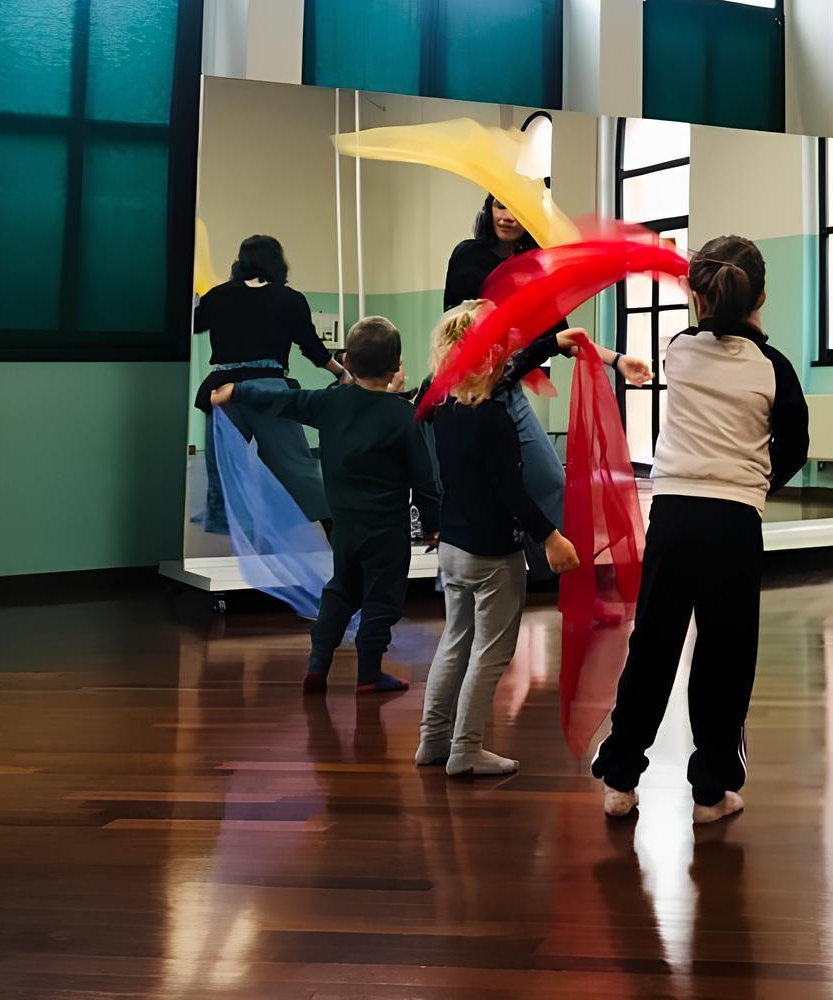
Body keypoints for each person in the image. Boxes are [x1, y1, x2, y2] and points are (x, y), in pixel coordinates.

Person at [592, 235, 808, 825]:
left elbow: (706, 327)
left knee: (654, 645)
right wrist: (757, 483)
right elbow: (796, 445)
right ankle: (710, 791)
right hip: (733, 521)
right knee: (726, 655)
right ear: (762, 294)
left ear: (695, 296)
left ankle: (620, 777)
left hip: (675, 515)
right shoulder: (775, 368)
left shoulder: (677, 348)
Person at [417, 302, 611, 778]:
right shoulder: (495, 421)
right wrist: (550, 537)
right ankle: (465, 749)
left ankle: (432, 740)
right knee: (490, 652)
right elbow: (512, 491)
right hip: (491, 554)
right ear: (493, 359)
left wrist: (551, 343)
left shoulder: (439, 405)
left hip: (453, 549)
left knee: (455, 642)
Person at [212, 316, 433, 697]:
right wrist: (434, 522)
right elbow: (426, 479)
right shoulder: (403, 417)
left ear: (347, 361)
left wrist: (238, 391)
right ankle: (369, 674)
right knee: (381, 598)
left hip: (345, 525)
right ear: (397, 365)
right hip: (387, 531)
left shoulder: (329, 402)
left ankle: (318, 665)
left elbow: (282, 399)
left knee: (341, 590)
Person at [442, 195, 564, 576]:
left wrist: (612, 358)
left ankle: (548, 570)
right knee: (477, 486)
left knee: (549, 479)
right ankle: (468, 576)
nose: (508, 217)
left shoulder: (534, 267)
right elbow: (454, 324)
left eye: (517, 209)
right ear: (488, 210)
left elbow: (559, 331)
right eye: (500, 207)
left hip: (507, 387)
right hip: (467, 391)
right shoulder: (468, 255)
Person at [193, 234, 346, 531]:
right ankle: (331, 522)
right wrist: (341, 373)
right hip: (270, 391)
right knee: (295, 463)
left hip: (222, 390)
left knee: (226, 467)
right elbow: (312, 348)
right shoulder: (289, 298)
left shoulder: (218, 295)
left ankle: (231, 526)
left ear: (240, 262)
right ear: (278, 262)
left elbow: (193, 324)